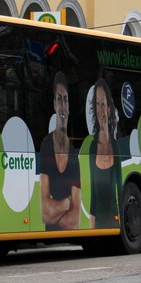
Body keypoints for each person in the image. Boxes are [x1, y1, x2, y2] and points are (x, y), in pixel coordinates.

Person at [38, 72, 81, 230]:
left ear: (69, 106)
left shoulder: (74, 153)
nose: (62, 106)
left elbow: (75, 221)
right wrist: (67, 203)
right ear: (54, 105)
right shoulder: (46, 145)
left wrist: (54, 207)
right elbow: (45, 213)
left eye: (65, 99)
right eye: (59, 99)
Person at [87, 78, 120, 229]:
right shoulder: (92, 148)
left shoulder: (116, 147)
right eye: (97, 104)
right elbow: (93, 198)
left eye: (103, 103)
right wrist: (91, 232)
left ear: (108, 108)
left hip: (115, 222)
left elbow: (121, 191)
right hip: (98, 223)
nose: (100, 110)